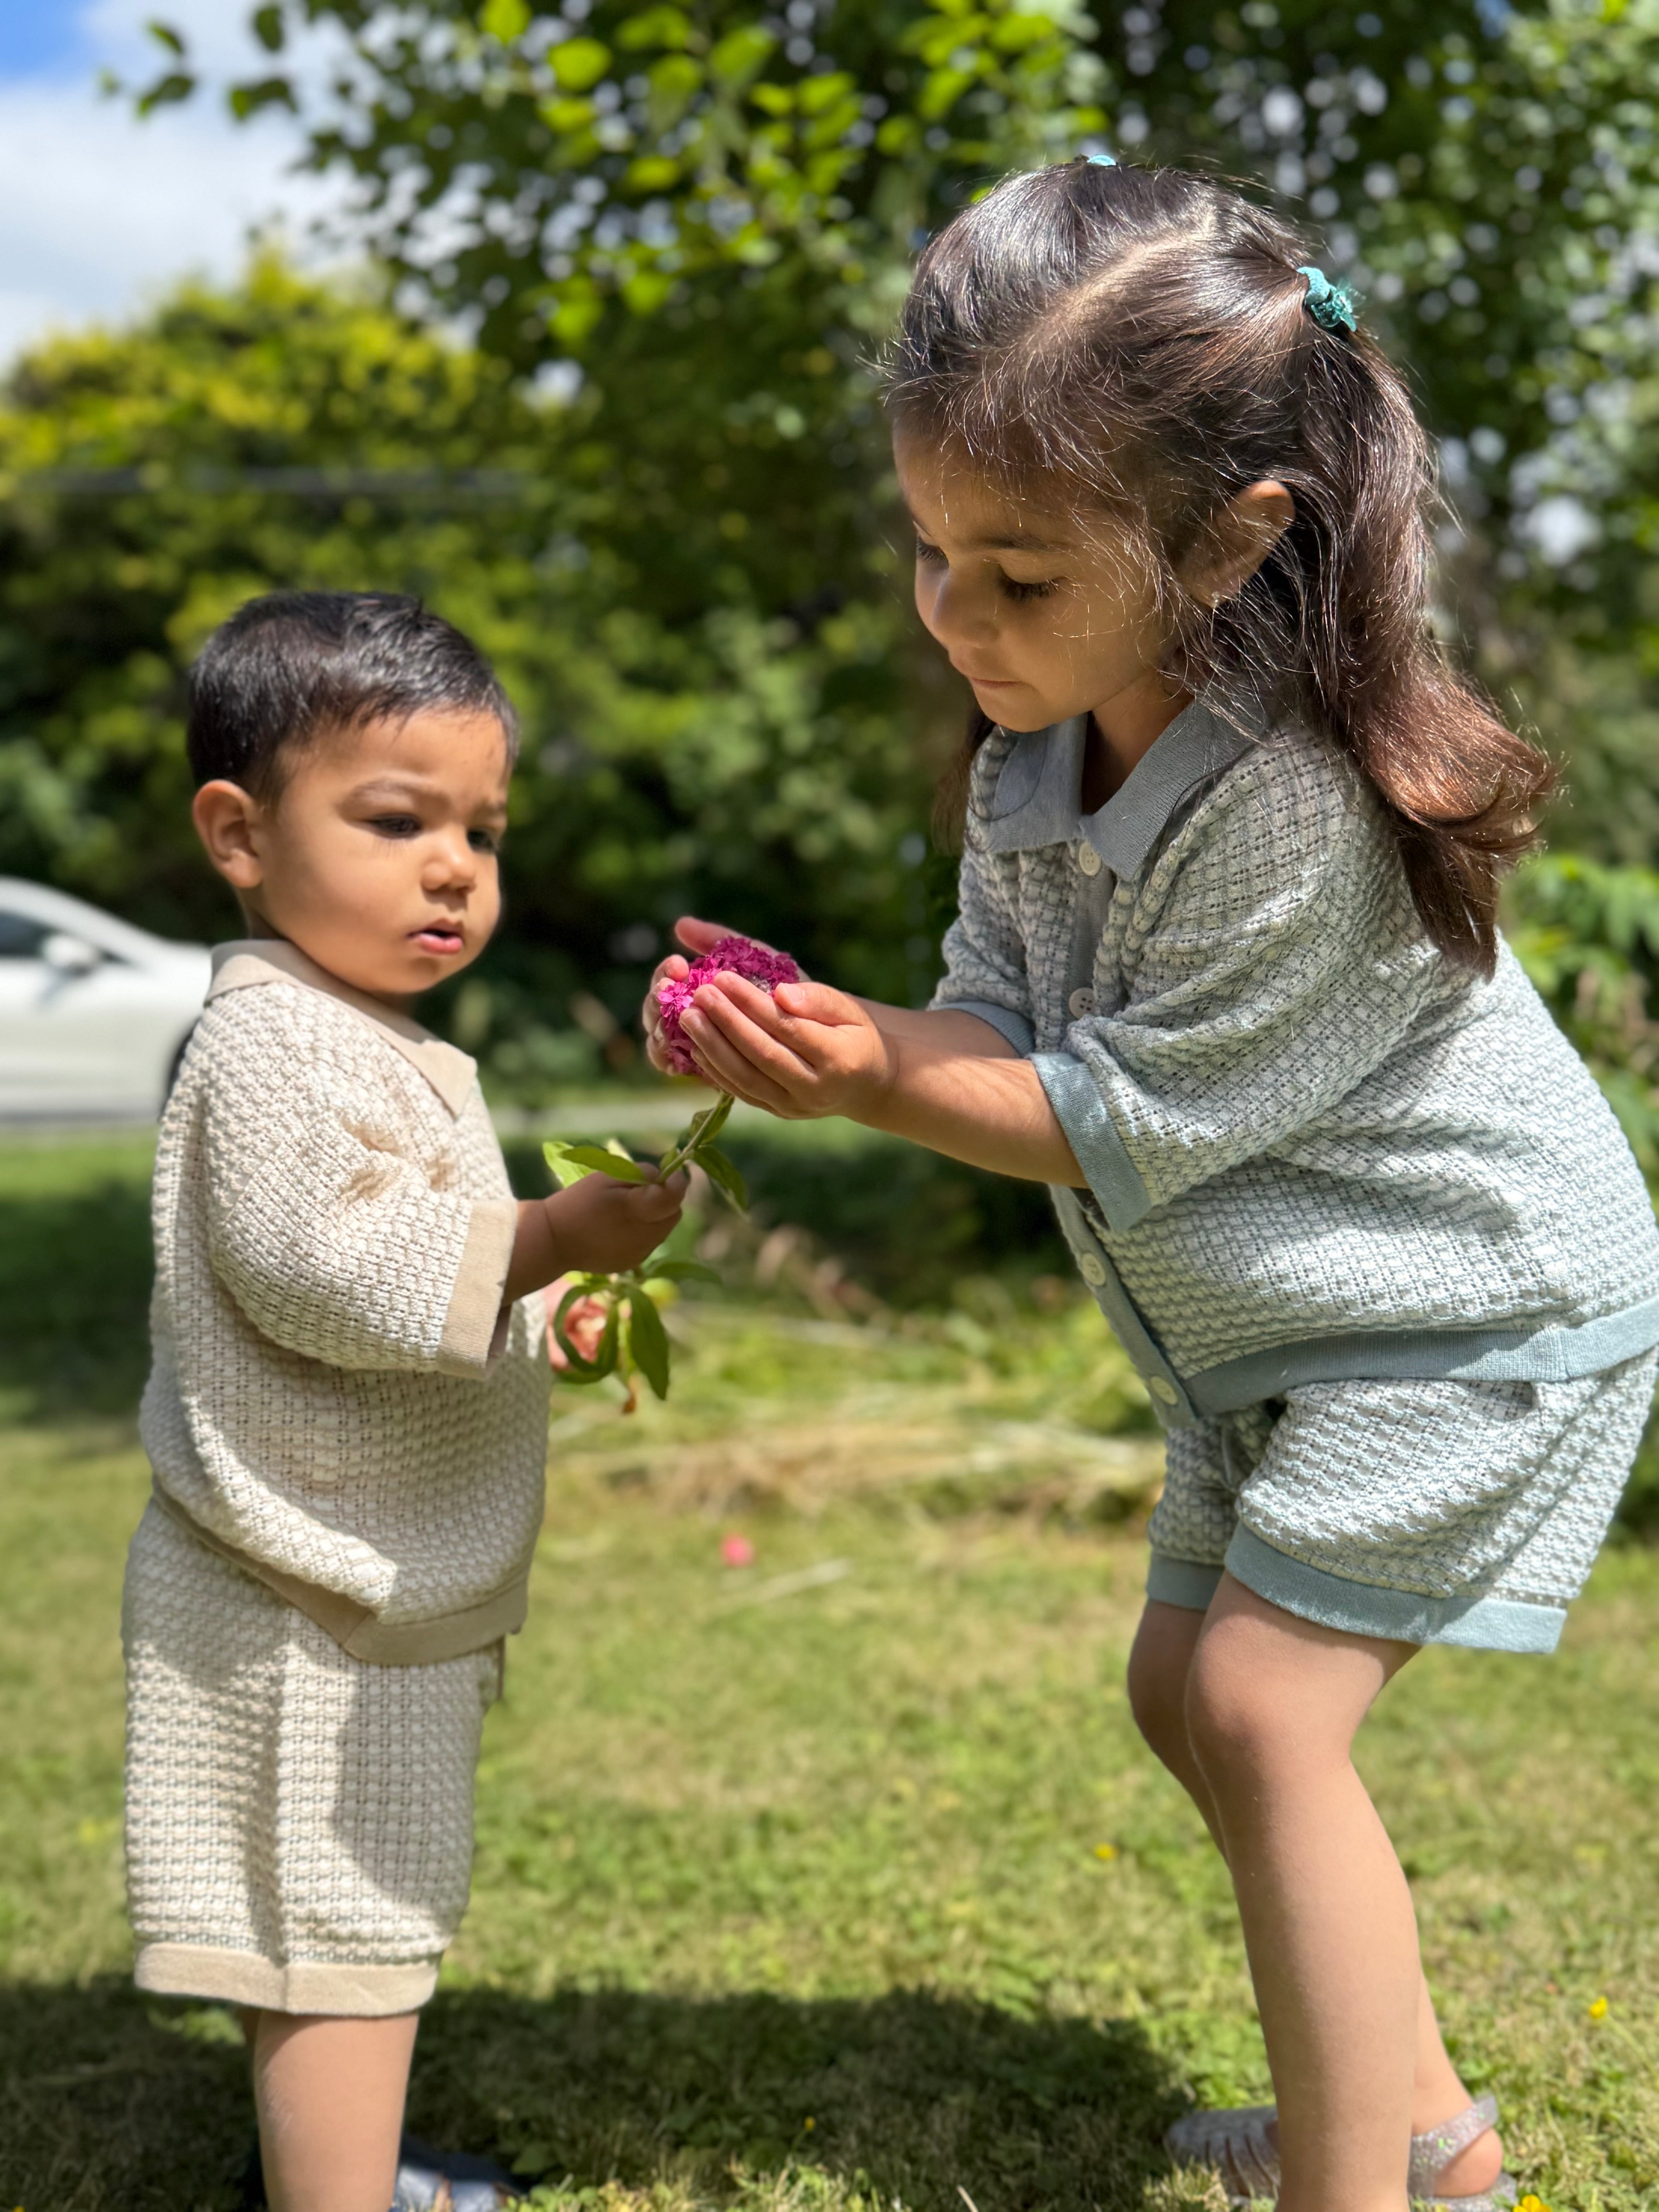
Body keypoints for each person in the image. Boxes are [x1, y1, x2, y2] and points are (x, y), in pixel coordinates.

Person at [640, 159, 1659, 2212]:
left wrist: (881, 1090)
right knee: (1176, 1697)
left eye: (1015, 576)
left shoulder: (1291, 799)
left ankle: (1349, 2192)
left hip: (1465, 1313)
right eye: (932, 558)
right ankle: (1423, 2137)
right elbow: (979, 1021)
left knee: (1259, 1713)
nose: (958, 620)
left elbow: (1114, 1111)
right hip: (1288, 1331)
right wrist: (846, 1046)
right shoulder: (1035, 754)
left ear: (1227, 536)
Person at [125, 591, 685, 2212]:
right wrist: (543, 1236)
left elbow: (410, 1283)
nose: (455, 867)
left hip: (341, 1572)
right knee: (336, 1930)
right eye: (397, 820)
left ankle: (338, 2170)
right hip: (304, 1591)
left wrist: (553, 1305)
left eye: (483, 831)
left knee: (338, 1913)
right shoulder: (270, 1049)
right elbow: (323, 1268)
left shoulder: (351, 1034)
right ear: (238, 833)